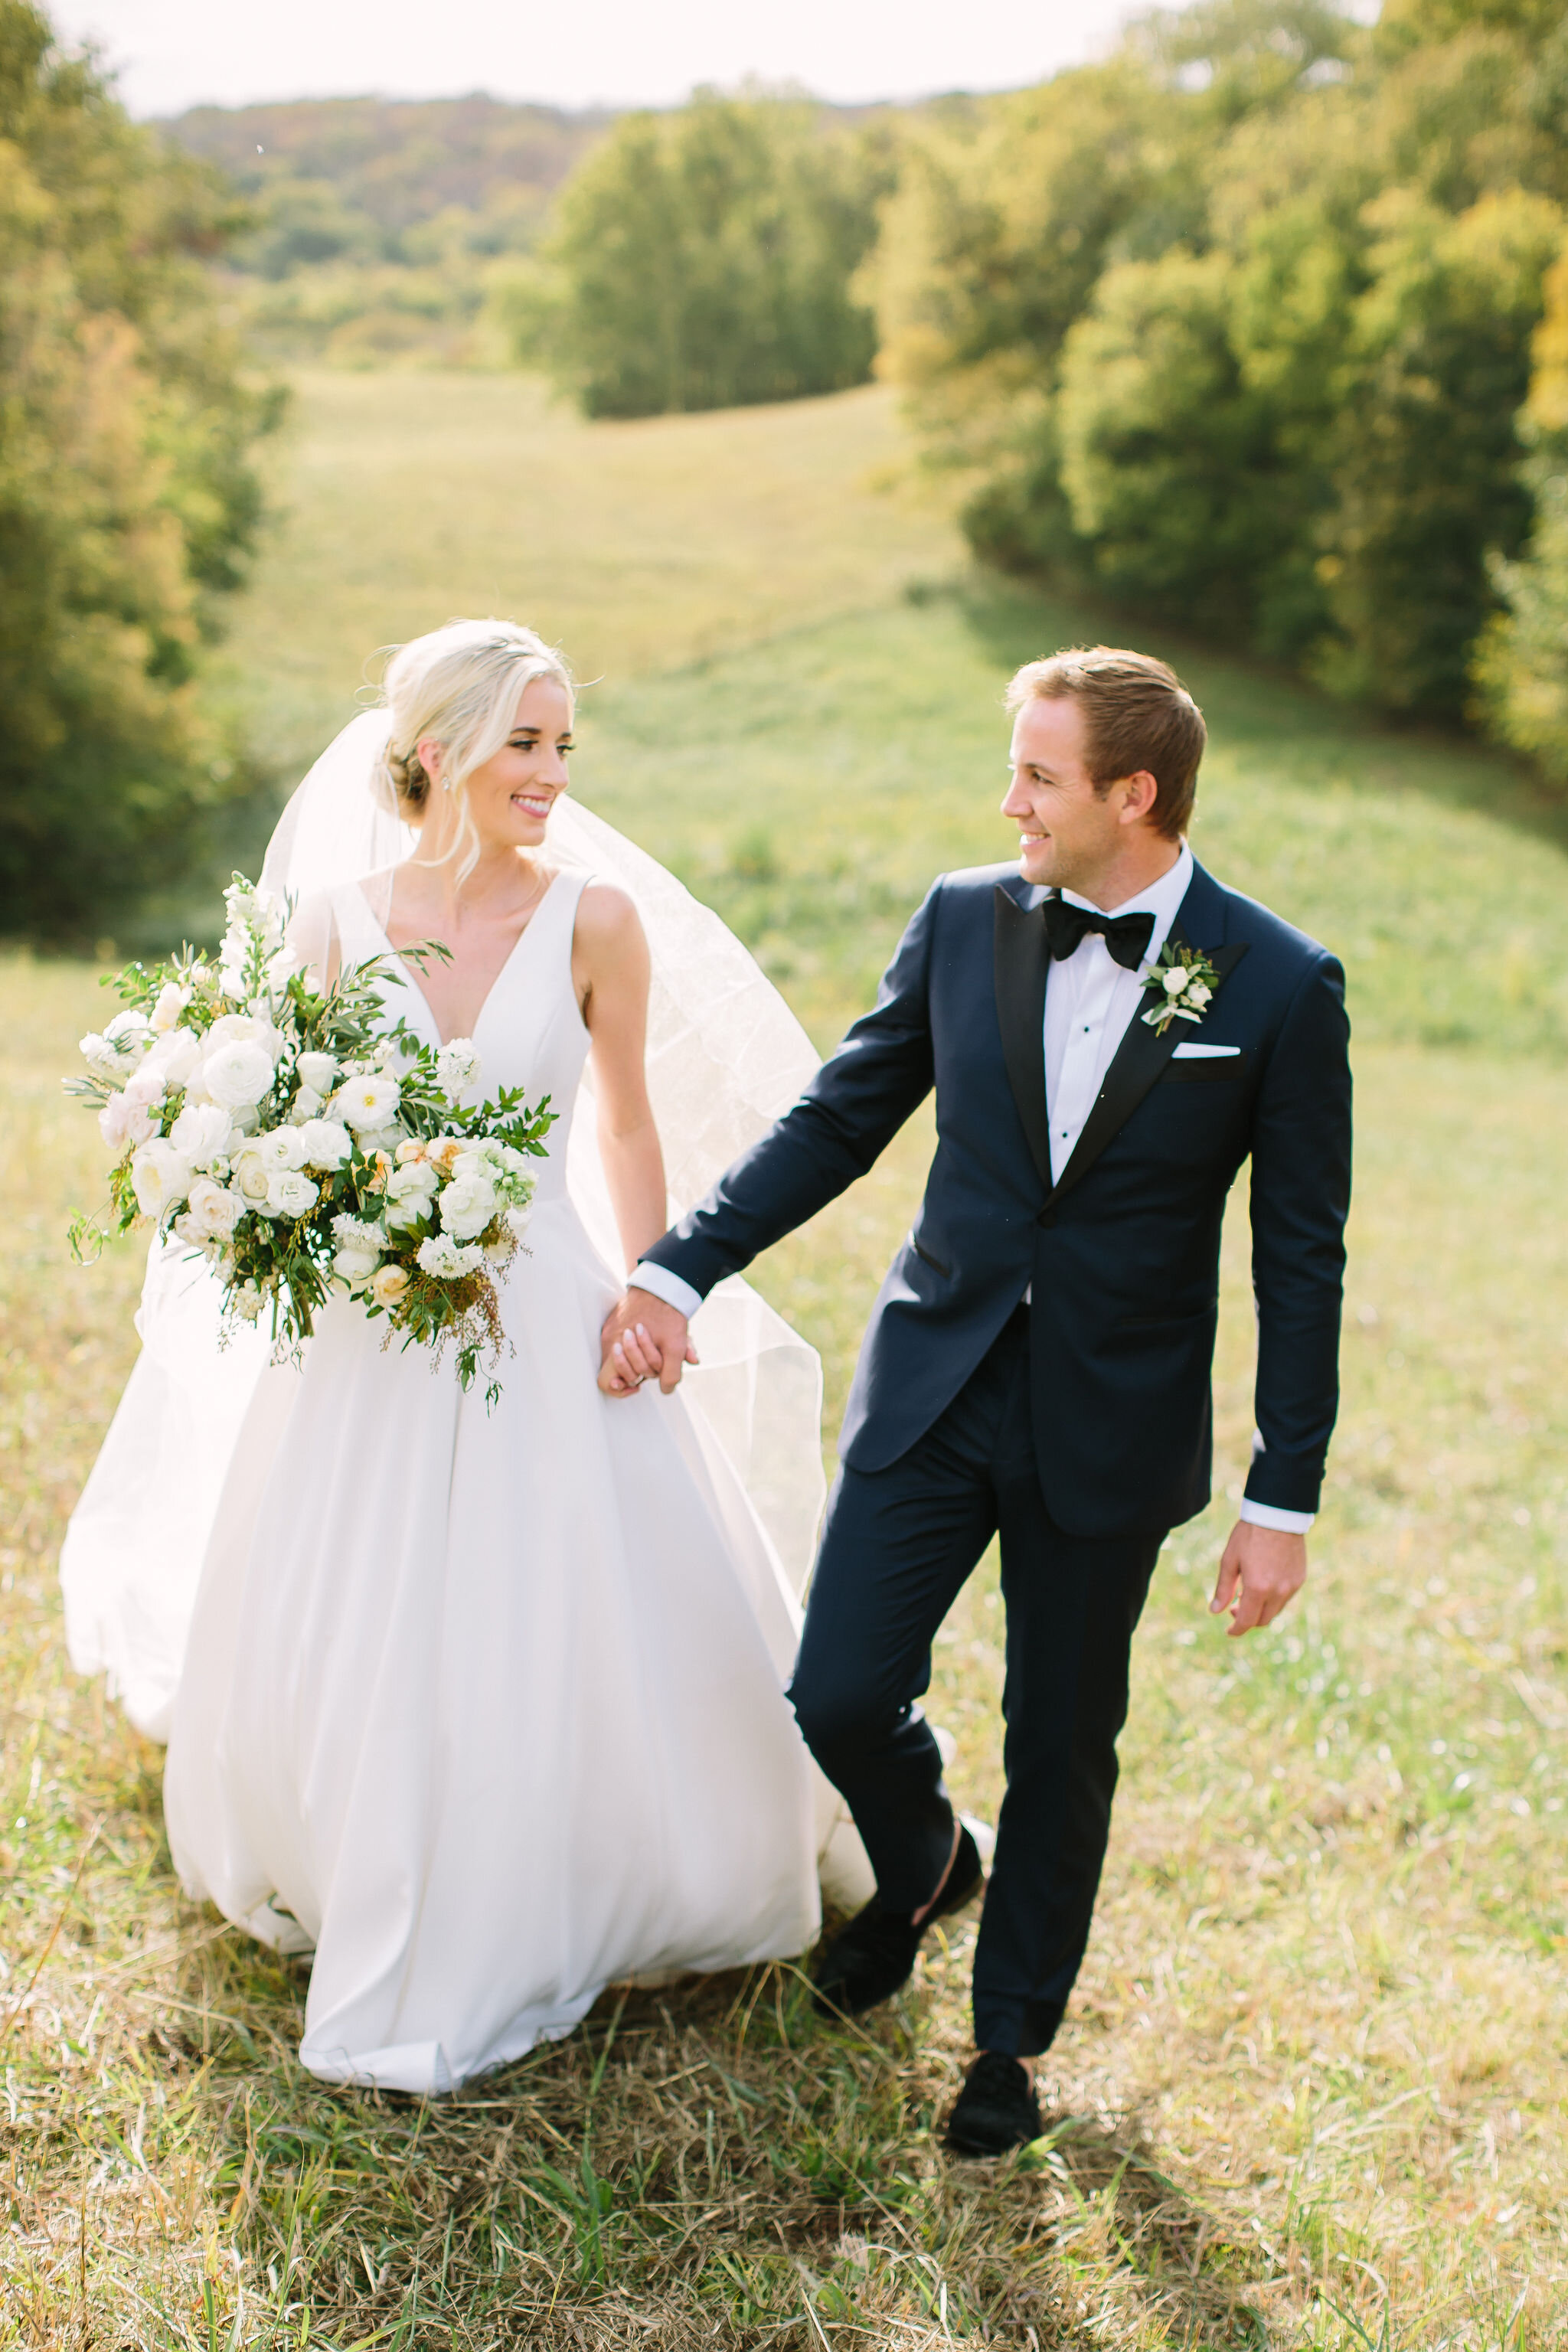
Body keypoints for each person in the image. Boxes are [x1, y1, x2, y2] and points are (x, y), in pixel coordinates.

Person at [60, 618, 871, 2094]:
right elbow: (258, 1130)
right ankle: (367, 1852)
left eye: (564, 745)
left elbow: (625, 1124)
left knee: (558, 1593)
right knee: (353, 1592)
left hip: (549, 1312)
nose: (554, 773)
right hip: (371, 1329)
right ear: (438, 751)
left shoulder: (594, 922)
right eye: (527, 742)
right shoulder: (327, 926)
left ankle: (582, 1866)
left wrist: (654, 1287)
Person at [599, 646, 1353, 2156]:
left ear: (1130, 795)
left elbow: (1300, 1259)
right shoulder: (961, 922)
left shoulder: (1273, 981)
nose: (1006, 799)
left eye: (1037, 775)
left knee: (1064, 1735)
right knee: (837, 1691)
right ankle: (926, 1851)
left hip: (1112, 1422)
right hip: (934, 1382)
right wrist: (680, 1268)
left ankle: (1008, 2043)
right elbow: (840, 1121)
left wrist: (1282, 1497)